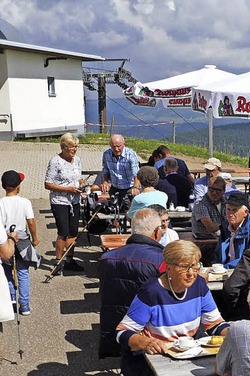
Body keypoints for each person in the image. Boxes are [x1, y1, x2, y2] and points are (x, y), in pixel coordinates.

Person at [116, 240, 230, 376]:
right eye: (184, 267)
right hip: (154, 359)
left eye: (195, 266)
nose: (191, 273)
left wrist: (233, 334)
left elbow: (214, 324)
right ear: (168, 268)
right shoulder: (152, 292)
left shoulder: (199, 285)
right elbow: (121, 333)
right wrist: (145, 342)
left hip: (188, 354)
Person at [98, 208, 165, 359]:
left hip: (114, 326)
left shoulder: (107, 258)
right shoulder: (161, 260)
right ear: (156, 231)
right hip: (149, 331)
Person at [0, 170, 39, 315]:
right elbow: (31, 222)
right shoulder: (25, 202)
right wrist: (35, 238)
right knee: (23, 273)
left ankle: (11, 300)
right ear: (19, 187)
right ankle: (25, 305)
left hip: (5, 241)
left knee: (7, 272)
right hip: (22, 241)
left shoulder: (1, 203)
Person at [44, 132, 85, 272]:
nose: (75, 150)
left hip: (74, 200)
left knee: (73, 231)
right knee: (63, 231)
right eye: (72, 147)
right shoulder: (55, 161)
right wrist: (67, 189)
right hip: (60, 200)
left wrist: (82, 186)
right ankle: (58, 262)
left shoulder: (77, 160)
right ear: (64, 147)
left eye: (76, 147)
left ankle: (69, 260)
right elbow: (48, 184)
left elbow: (79, 178)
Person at [215, 192, 250, 268]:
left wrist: (226, 267)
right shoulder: (226, 225)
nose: (230, 214)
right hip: (224, 269)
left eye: (234, 210)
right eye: (228, 209)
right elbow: (218, 253)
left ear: (245, 212)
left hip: (243, 271)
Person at [101, 134, 141, 199]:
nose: (116, 149)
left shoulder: (130, 154)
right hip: (114, 187)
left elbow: (136, 173)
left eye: (118, 146)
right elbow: (105, 170)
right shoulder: (106, 154)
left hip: (128, 188)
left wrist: (136, 187)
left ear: (123, 144)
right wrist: (105, 182)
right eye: (114, 147)